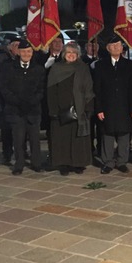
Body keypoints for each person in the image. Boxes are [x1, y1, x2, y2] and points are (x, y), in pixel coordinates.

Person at [47, 42, 94, 176]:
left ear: (78, 55)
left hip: (80, 110)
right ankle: (64, 164)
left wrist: (88, 107)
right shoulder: (56, 68)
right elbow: (51, 90)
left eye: (74, 53)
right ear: (64, 54)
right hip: (61, 110)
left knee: (78, 138)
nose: (71, 55)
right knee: (62, 138)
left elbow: (88, 88)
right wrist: (53, 110)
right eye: (69, 53)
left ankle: (78, 164)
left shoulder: (83, 68)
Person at [0, 40, 46, 175]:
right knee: (18, 138)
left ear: (32, 53)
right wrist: (17, 101)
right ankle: (19, 164)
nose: (26, 54)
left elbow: (41, 90)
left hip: (33, 110)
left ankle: (36, 163)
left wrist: (31, 101)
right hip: (15, 109)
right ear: (18, 52)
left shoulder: (38, 69)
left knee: (34, 139)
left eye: (29, 51)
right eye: (24, 51)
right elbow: (4, 88)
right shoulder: (8, 67)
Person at [94, 36, 132, 174]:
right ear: (108, 48)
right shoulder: (100, 65)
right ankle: (108, 162)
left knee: (124, 134)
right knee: (107, 134)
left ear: (122, 48)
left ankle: (122, 161)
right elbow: (97, 89)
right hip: (107, 107)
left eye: (118, 45)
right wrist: (99, 108)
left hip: (125, 106)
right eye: (113, 46)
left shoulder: (130, 65)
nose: (116, 48)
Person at [0, 35, 21, 165]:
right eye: (15, 45)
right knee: (7, 129)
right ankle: (7, 153)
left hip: (19, 100)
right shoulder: (0, 58)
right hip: (5, 100)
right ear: (9, 46)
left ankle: (22, 151)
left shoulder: (21, 58)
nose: (18, 48)